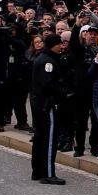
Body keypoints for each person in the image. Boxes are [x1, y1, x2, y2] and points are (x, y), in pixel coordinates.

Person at [29, 32, 70, 185]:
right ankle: (48, 173)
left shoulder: (43, 58)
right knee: (49, 139)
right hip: (48, 105)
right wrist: (63, 91)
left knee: (39, 138)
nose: (61, 46)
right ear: (53, 45)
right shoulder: (48, 62)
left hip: (40, 104)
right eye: (59, 44)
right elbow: (48, 84)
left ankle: (37, 171)